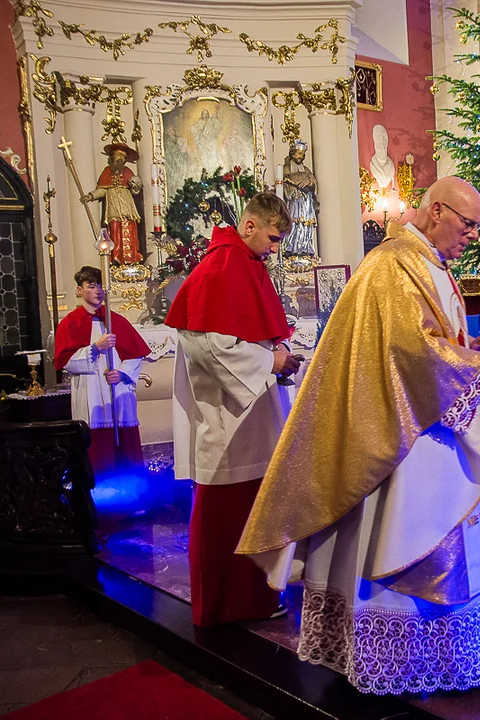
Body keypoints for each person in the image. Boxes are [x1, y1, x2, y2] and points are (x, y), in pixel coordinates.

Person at [238, 176, 480, 697]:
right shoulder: (392, 266)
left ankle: (452, 664)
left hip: (429, 431)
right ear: (437, 210)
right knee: (412, 540)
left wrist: (475, 348)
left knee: (442, 544)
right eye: (468, 224)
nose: (473, 235)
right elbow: (411, 353)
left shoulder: (427, 264)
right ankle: (400, 666)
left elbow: (436, 343)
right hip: (405, 441)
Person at [165, 192, 302, 628]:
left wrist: (274, 356)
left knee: (254, 505)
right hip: (228, 415)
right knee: (227, 511)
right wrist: (270, 362)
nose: (276, 247)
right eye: (274, 237)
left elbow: (243, 333)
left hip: (250, 410)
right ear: (249, 226)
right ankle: (225, 604)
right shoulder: (223, 265)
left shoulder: (244, 263)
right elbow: (208, 343)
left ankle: (255, 597)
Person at [54, 266, 150, 476]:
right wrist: (96, 347)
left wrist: (122, 373)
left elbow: (136, 354)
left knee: (125, 446)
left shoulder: (116, 320)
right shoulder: (70, 323)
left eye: (101, 286)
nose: (98, 291)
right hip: (92, 393)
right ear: (79, 290)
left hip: (118, 394)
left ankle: (133, 496)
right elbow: (66, 361)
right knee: (98, 449)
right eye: (91, 286)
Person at [82, 143, 144, 265]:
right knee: (115, 229)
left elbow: (135, 190)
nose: (121, 158)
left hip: (128, 207)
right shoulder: (107, 172)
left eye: (124, 156)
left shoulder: (128, 171)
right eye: (119, 154)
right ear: (112, 156)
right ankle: (116, 256)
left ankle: (132, 256)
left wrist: (135, 185)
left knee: (130, 229)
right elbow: (102, 190)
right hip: (114, 207)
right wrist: (91, 196)